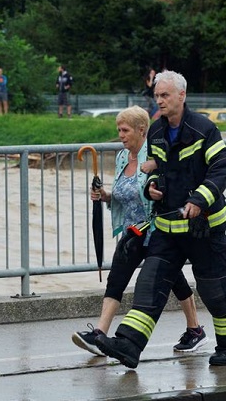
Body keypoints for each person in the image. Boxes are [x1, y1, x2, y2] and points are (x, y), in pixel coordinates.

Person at [95, 70, 226, 368]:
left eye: (164, 96)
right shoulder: (157, 133)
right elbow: (160, 172)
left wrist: (199, 200)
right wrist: (152, 189)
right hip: (167, 229)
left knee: (214, 291)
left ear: (181, 96)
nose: (159, 101)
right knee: (149, 285)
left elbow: (221, 167)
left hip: (205, 230)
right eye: (157, 96)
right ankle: (128, 346)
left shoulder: (204, 129)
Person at [71, 105, 206, 357]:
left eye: (124, 130)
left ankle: (195, 330)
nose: (120, 135)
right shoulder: (123, 157)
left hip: (158, 231)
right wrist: (104, 195)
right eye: (118, 130)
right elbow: (123, 196)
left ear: (141, 130)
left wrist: (158, 190)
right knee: (117, 278)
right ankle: (99, 333)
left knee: (174, 279)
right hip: (133, 232)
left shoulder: (154, 157)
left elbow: (167, 189)